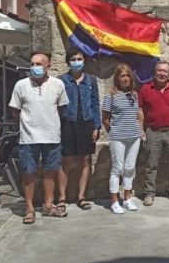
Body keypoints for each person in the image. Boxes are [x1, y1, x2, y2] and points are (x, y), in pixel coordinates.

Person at [9, 51, 69, 224]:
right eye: (32, 63)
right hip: (28, 138)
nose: (35, 67)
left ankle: (48, 205)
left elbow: (61, 108)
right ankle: (29, 209)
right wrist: (29, 122)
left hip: (52, 137)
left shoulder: (58, 84)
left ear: (48, 66)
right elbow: (15, 110)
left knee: (50, 173)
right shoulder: (21, 85)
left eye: (39, 64)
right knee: (28, 173)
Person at [57, 48, 101, 213]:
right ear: (68, 62)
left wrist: (96, 126)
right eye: (73, 59)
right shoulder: (61, 80)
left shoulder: (91, 80)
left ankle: (82, 197)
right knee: (66, 161)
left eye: (80, 59)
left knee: (85, 161)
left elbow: (95, 104)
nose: (77, 62)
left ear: (84, 61)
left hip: (86, 123)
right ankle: (62, 197)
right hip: (67, 123)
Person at [138, 60, 169, 205]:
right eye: (159, 70)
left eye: (165, 71)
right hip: (152, 131)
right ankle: (149, 193)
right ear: (155, 72)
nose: (162, 73)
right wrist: (141, 129)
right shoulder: (145, 89)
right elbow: (140, 110)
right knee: (151, 164)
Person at [102, 64, 144, 214]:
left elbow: (138, 115)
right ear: (117, 79)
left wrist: (140, 131)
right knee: (117, 168)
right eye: (122, 76)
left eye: (127, 76)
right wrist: (114, 132)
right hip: (118, 137)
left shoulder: (134, 95)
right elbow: (105, 119)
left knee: (130, 167)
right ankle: (114, 200)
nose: (125, 79)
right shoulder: (111, 95)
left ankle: (127, 198)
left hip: (134, 137)